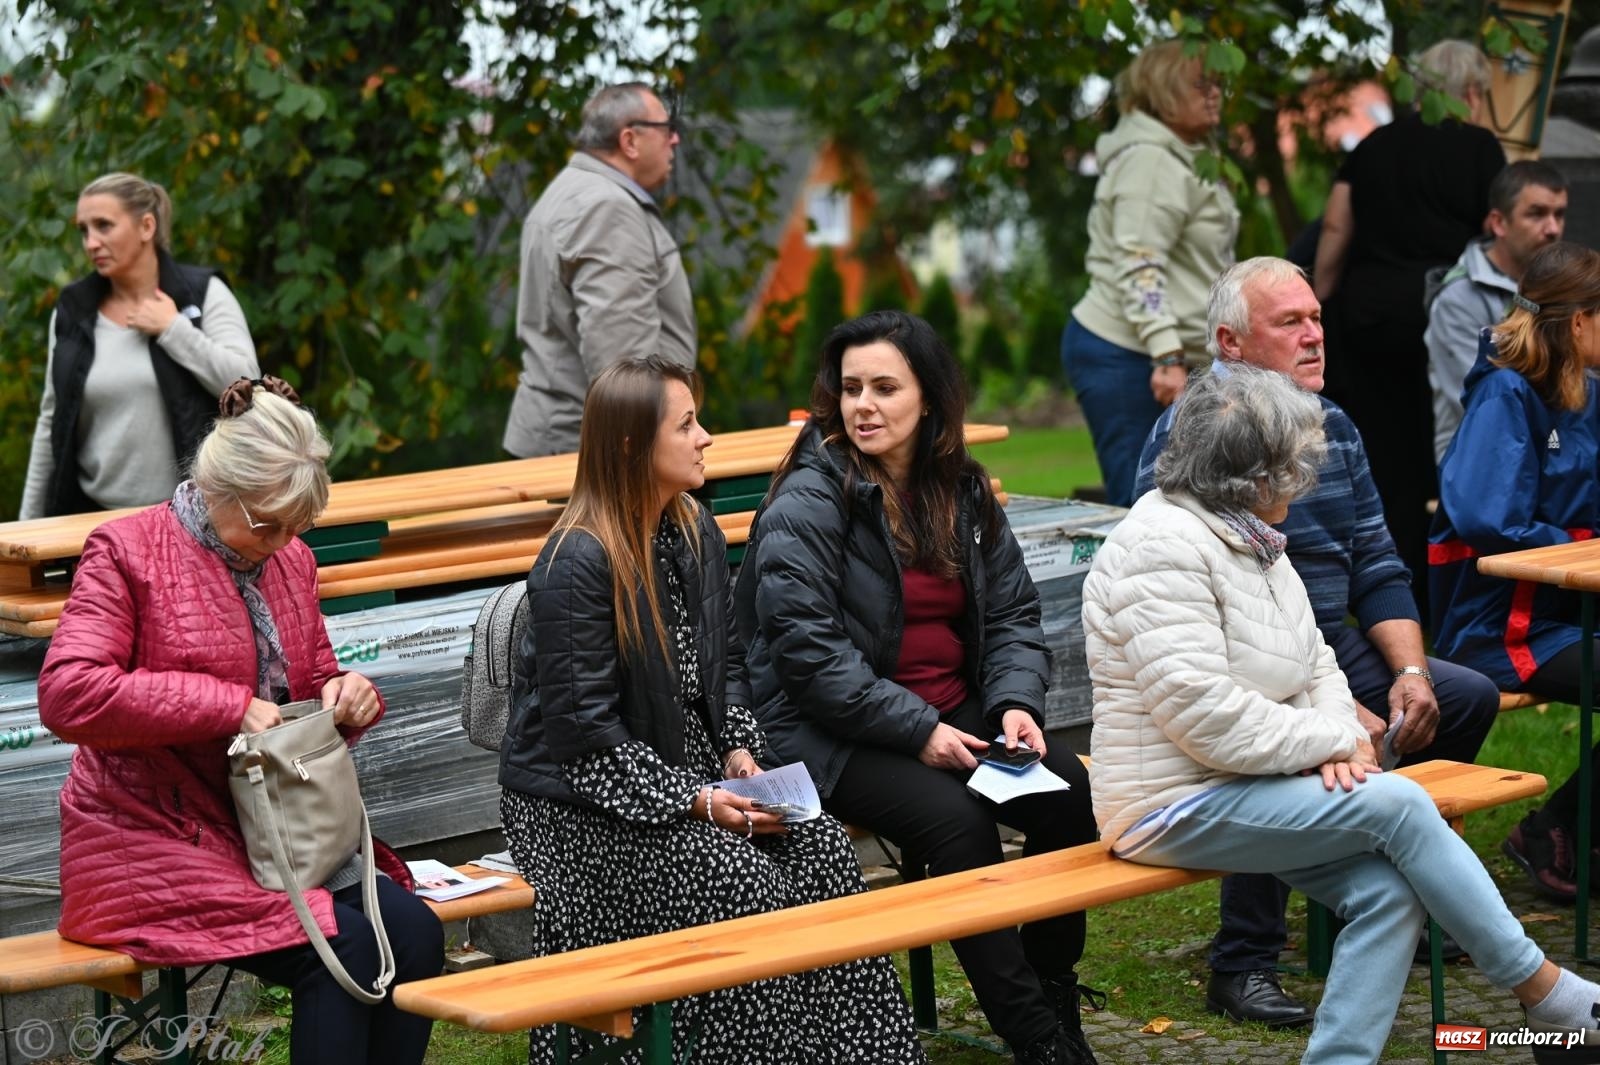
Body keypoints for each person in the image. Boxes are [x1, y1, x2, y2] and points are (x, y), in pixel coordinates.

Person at [1087, 363, 1600, 1064]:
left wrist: (1338, 736)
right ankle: (1549, 995)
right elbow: (1202, 713)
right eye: (1293, 466)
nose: (1305, 480)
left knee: (1389, 892)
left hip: (1241, 781)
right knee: (1399, 803)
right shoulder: (1160, 548)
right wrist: (1335, 736)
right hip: (1170, 800)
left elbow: (1317, 661)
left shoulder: (1250, 538)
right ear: (1254, 475)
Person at [498, 355, 925, 1064]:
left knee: (822, 853)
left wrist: (739, 754)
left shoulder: (694, 527)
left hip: (689, 781)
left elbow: (726, 673)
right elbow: (585, 745)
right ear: (634, 446)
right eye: (688, 423)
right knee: (747, 887)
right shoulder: (578, 560)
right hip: (576, 810)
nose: (706, 438)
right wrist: (698, 799)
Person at [1134, 257, 1498, 1028]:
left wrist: (1406, 672)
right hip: (1245, 657)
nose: (1313, 336)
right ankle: (1244, 960)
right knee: (1279, 755)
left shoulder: (1334, 422)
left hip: (1330, 640)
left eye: (1316, 319)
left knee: (1460, 695)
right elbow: (1181, 596)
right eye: (1289, 323)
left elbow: (1375, 559)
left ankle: (1407, 894)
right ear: (1231, 343)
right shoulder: (1194, 432)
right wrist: (1324, 713)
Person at [37, 379, 442, 1065]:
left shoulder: (288, 560)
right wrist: (223, 704)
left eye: (296, 526)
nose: (282, 542)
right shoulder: (126, 550)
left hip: (270, 833)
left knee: (415, 935)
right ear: (214, 485)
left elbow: (311, 688)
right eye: (268, 523)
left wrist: (345, 698)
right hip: (145, 839)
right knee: (339, 949)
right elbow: (67, 693)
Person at [738, 311, 1101, 1065]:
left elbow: (1011, 615)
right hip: (828, 732)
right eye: (849, 389)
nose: (863, 405)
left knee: (1063, 789)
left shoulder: (959, 489)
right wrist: (920, 732)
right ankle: (1033, 1035)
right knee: (953, 822)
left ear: (928, 398)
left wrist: (1012, 704)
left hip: (951, 714)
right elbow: (810, 660)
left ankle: (1053, 983)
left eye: (884, 387)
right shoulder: (810, 498)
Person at [1430, 240, 1600, 903]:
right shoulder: (1505, 393)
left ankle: (1573, 829)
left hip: (1564, 613)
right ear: (1579, 320)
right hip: (1503, 626)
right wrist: (1576, 542)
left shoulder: (1581, 392)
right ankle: (1555, 829)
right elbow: (1485, 516)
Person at [1314, 40, 1507, 619]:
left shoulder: (1374, 145)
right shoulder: (1479, 148)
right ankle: (1453, 588)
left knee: (1387, 463)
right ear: (1471, 91)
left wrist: (1319, 299)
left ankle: (1391, 594)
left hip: (1372, 321)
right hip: (1450, 317)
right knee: (1454, 447)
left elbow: (1334, 227)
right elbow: (1498, 234)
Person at [20, 172, 260, 519]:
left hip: (190, 521)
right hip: (94, 522)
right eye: (84, 230)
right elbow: (51, 419)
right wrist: (25, 526)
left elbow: (249, 384)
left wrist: (172, 329)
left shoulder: (201, 293)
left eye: (104, 226)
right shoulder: (74, 309)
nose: (91, 242)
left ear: (147, 227)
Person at [1061, 38, 1238, 507]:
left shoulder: (1183, 154)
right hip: (1133, 355)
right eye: (1201, 84)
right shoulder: (1152, 160)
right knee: (1147, 506)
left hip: (1165, 355)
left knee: (1189, 503)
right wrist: (1166, 356)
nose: (1215, 93)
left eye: (1219, 83)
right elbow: (1140, 262)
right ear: (1162, 91)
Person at [502, 83, 695, 458]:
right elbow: (623, 366)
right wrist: (641, 462)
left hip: (565, 444)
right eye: (664, 128)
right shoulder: (607, 209)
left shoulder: (572, 191)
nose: (674, 139)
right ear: (630, 140)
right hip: (590, 458)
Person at [1425, 160, 1569, 463]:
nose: (1553, 228)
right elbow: (1485, 406)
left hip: (1556, 454)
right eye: (1537, 214)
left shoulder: (1565, 285)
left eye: (1559, 214)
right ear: (1499, 223)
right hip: (1483, 468)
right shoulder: (1459, 297)